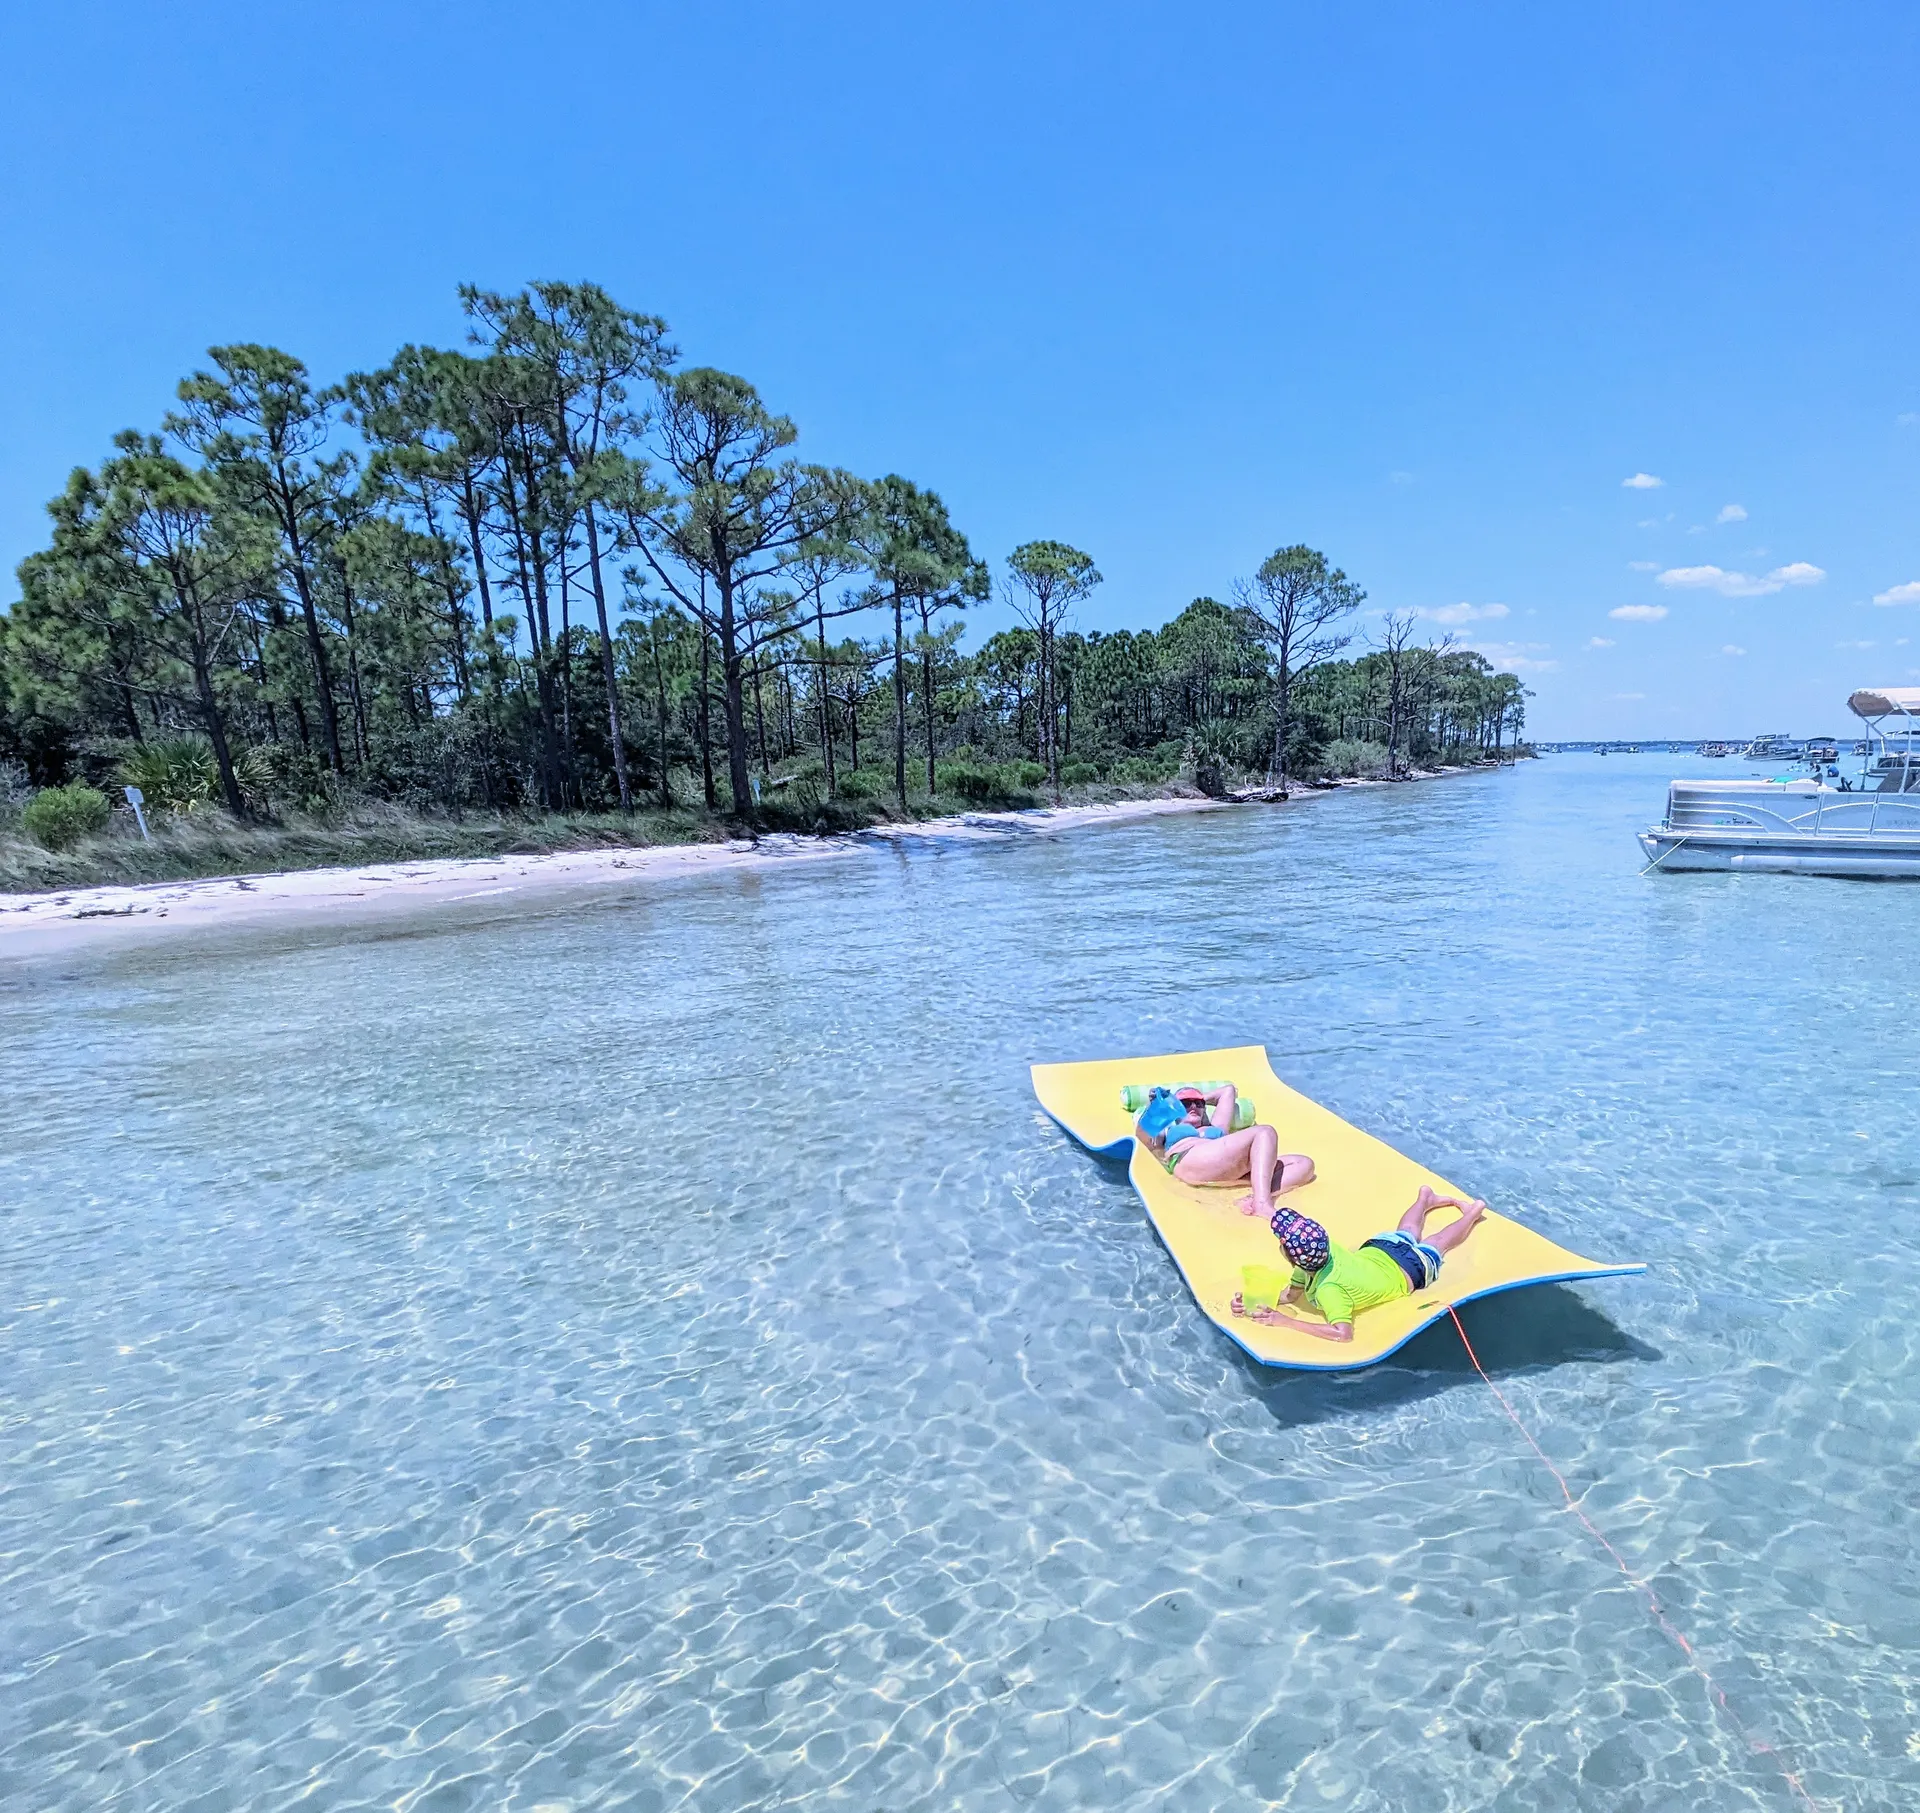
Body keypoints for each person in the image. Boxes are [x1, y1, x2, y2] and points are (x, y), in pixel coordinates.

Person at [1230, 1186, 1487, 1343]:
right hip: (1380, 1251)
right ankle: (1425, 1198)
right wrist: (1255, 1302)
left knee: (1437, 1241)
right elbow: (1289, 1294)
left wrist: (1287, 1322)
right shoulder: (1323, 1253)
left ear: (1287, 1254)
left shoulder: (1328, 1290)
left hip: (1407, 1271)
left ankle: (1473, 1213)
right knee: (1407, 1231)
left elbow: (1342, 1333)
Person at [1132, 1082, 1315, 1219]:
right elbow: (1143, 1135)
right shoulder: (1169, 1129)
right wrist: (1156, 1106)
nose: (1194, 1106)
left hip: (1224, 1166)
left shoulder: (1216, 1128)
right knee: (1265, 1131)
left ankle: (1256, 1196)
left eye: (1198, 1103)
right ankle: (1262, 1204)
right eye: (1186, 1103)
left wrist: (1200, 1097)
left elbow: (1228, 1090)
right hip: (1190, 1159)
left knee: (1303, 1164)